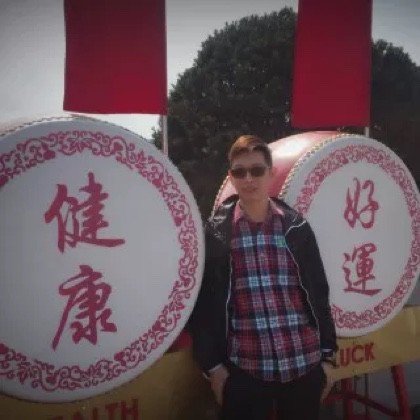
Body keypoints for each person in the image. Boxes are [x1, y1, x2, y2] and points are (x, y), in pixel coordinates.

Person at [190, 135, 338, 420]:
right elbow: (203, 305)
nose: (248, 179)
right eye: (240, 172)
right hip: (245, 372)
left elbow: (318, 292)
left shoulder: (296, 228)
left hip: (304, 364)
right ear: (231, 177)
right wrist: (214, 368)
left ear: (271, 173)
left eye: (257, 170)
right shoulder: (216, 235)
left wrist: (328, 357)